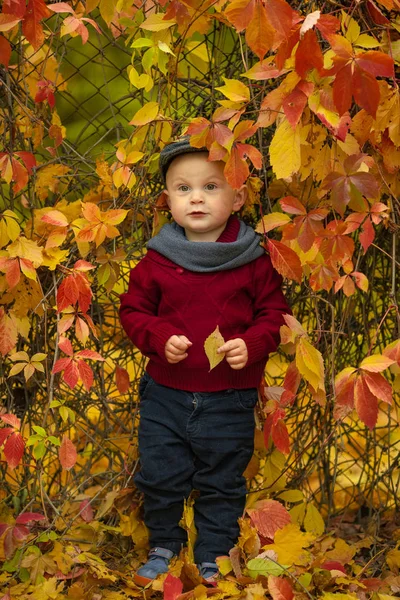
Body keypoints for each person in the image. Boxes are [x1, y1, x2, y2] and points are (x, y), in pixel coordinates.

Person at [119, 137, 290, 586]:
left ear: (236, 197)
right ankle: (164, 544)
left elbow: (274, 315)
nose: (196, 197)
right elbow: (133, 311)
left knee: (222, 481)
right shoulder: (158, 260)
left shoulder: (251, 260)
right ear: (168, 200)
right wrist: (157, 337)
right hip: (166, 395)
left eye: (211, 187)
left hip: (229, 398)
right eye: (183, 188)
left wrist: (252, 343)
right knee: (160, 473)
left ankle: (213, 553)